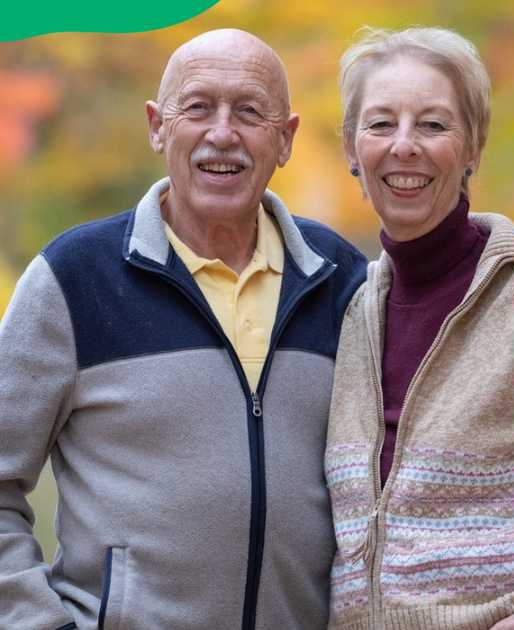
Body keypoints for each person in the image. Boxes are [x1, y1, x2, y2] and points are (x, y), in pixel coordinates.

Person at [0, 29, 367, 628]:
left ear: (287, 139)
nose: (223, 133)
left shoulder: (340, 279)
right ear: (157, 126)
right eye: (198, 107)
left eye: (250, 111)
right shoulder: (74, 277)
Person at [325, 27, 514, 630]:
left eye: (432, 125)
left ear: (473, 145)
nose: (404, 146)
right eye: (380, 124)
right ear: (352, 150)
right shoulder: (348, 314)